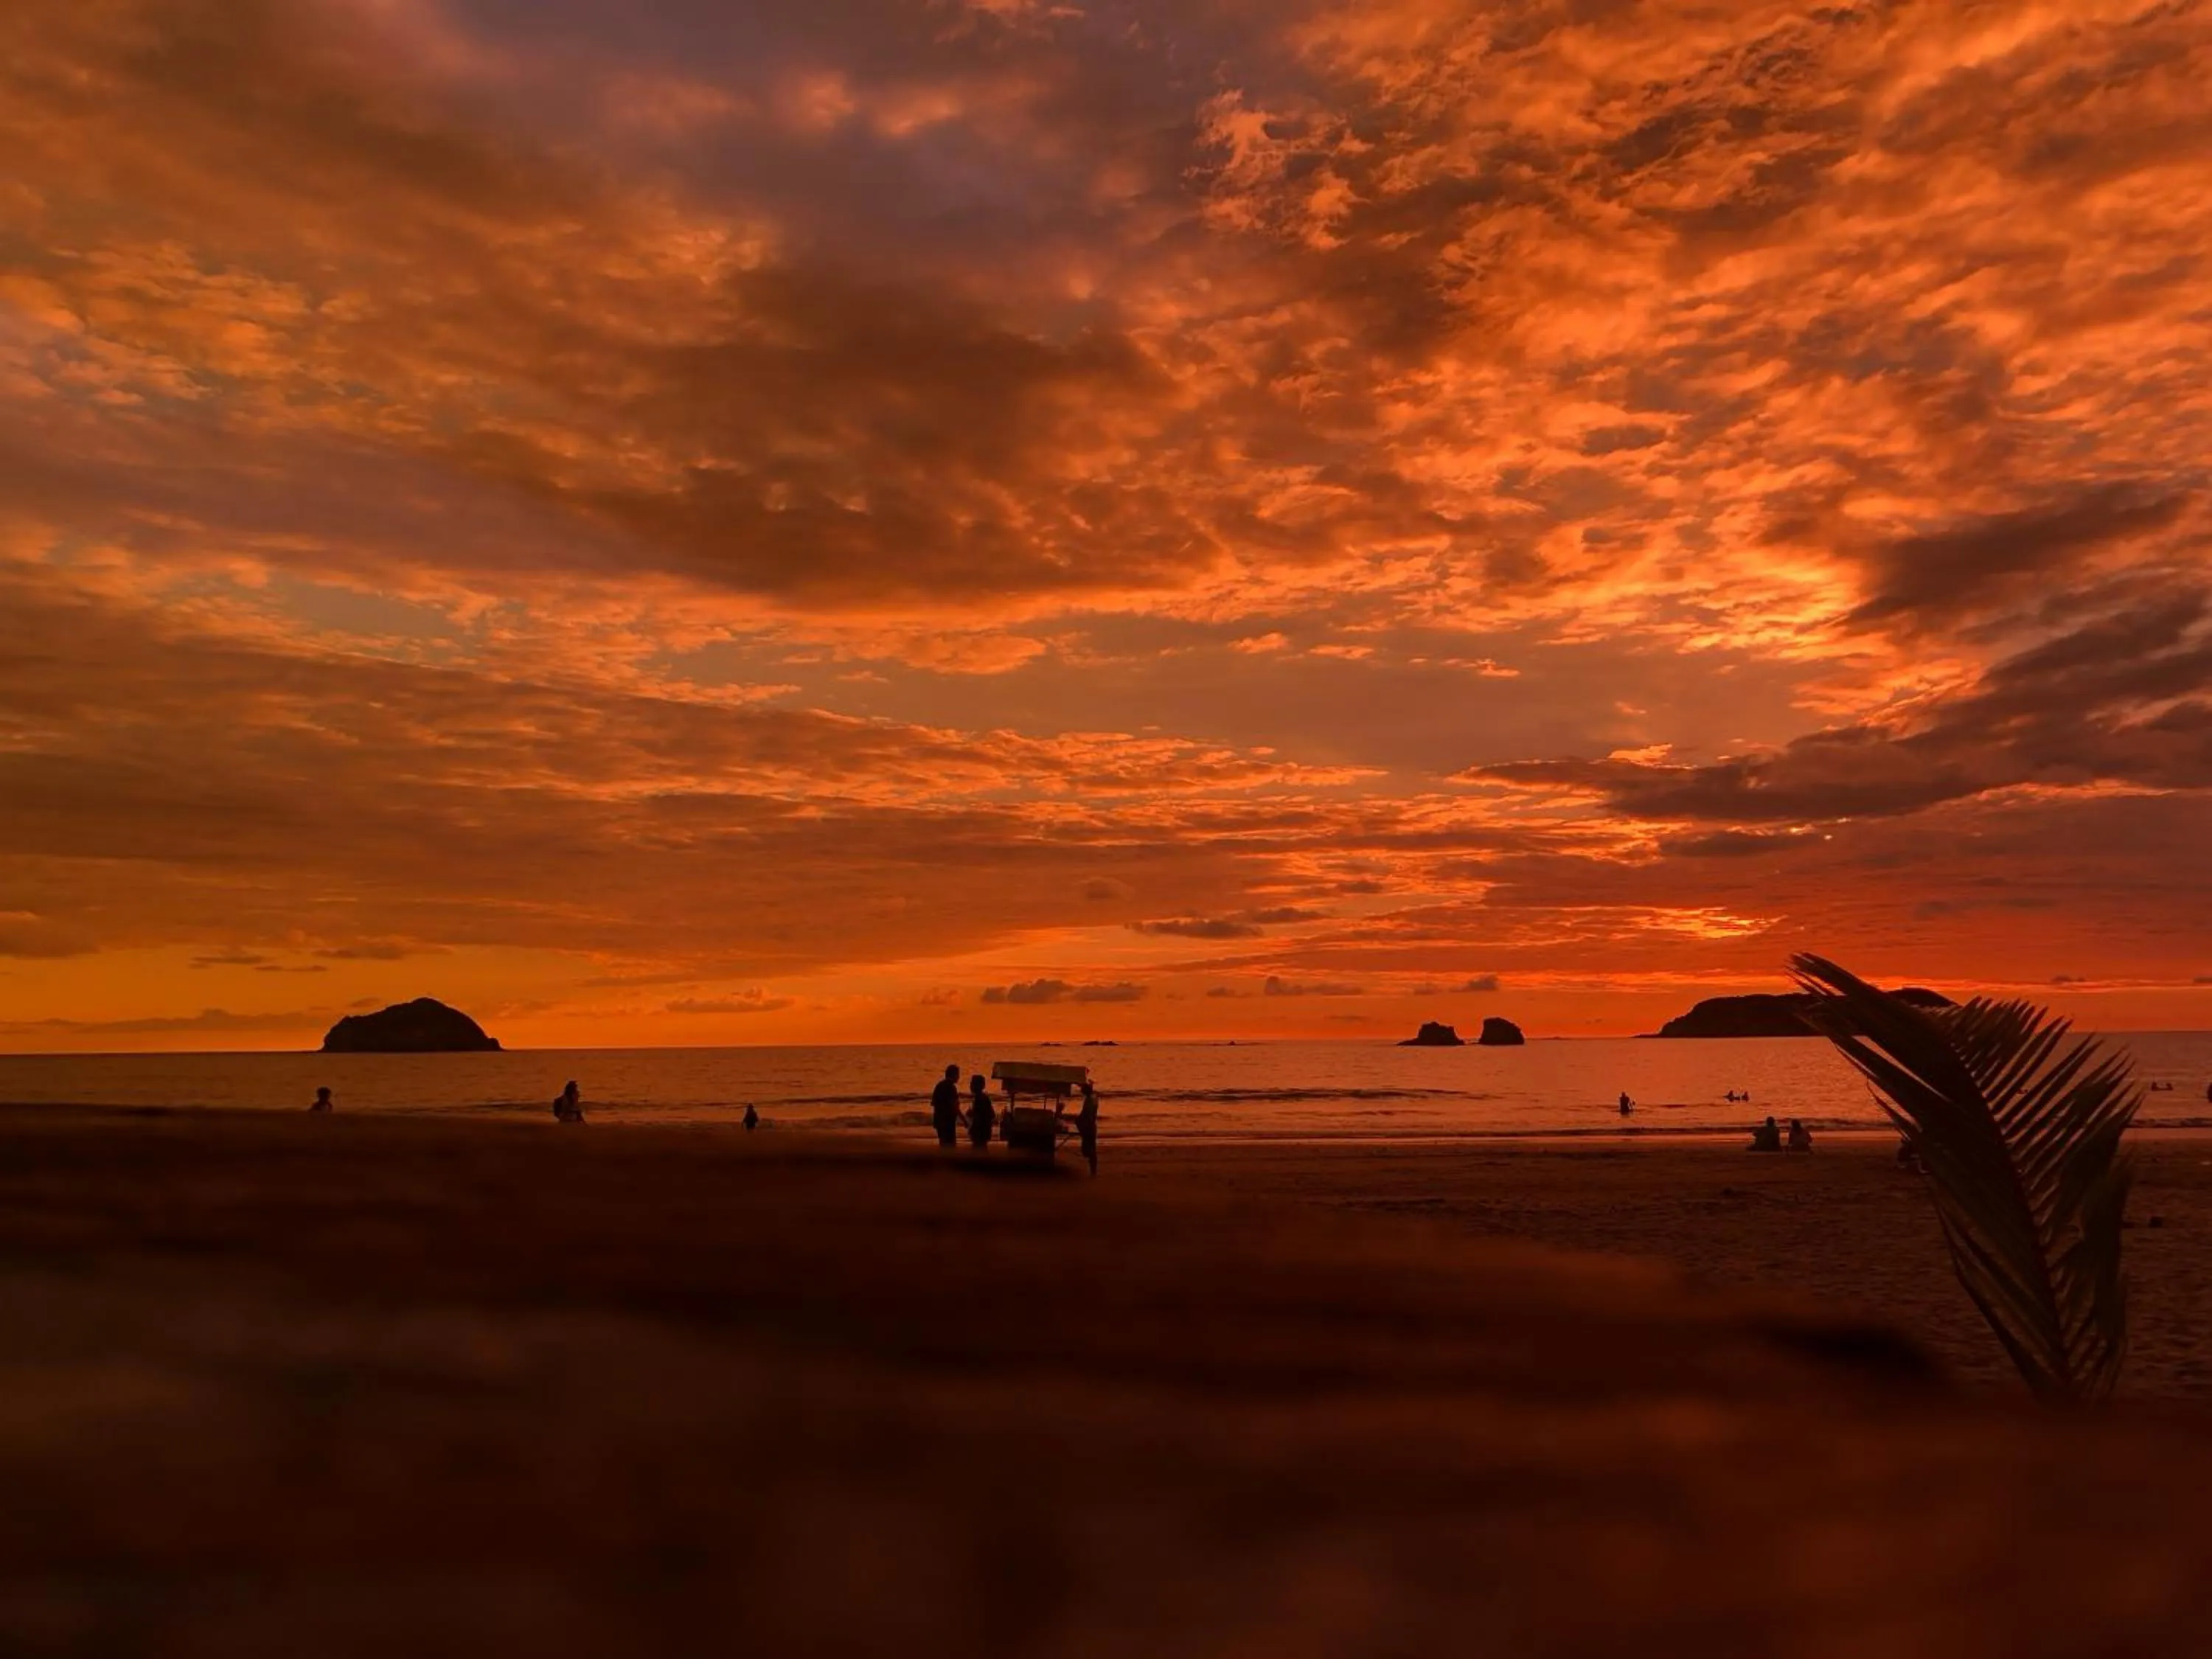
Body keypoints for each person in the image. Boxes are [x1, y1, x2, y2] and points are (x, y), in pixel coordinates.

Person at [931, 1063, 962, 1147]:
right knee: (950, 1144)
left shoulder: (939, 1086)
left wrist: (935, 1120)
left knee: (943, 1143)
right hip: (948, 1121)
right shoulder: (951, 1087)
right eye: (958, 1075)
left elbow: (934, 1104)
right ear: (953, 1075)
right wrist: (965, 1121)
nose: (959, 1077)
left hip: (939, 1120)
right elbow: (954, 1106)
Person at [1075, 1078, 1099, 1177]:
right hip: (1090, 1126)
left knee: (1088, 1149)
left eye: (1083, 1089)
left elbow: (1087, 1113)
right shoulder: (1092, 1098)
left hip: (1089, 1127)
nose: (1082, 1091)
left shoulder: (1091, 1099)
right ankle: (1093, 1171)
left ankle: (1093, 1171)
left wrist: (1080, 1121)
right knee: (1089, 1149)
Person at [967, 1074, 995, 1148]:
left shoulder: (979, 1099)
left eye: (972, 1083)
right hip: (984, 1131)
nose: (970, 1085)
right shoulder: (983, 1098)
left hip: (980, 1132)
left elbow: (980, 1117)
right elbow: (992, 1115)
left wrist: (972, 1114)